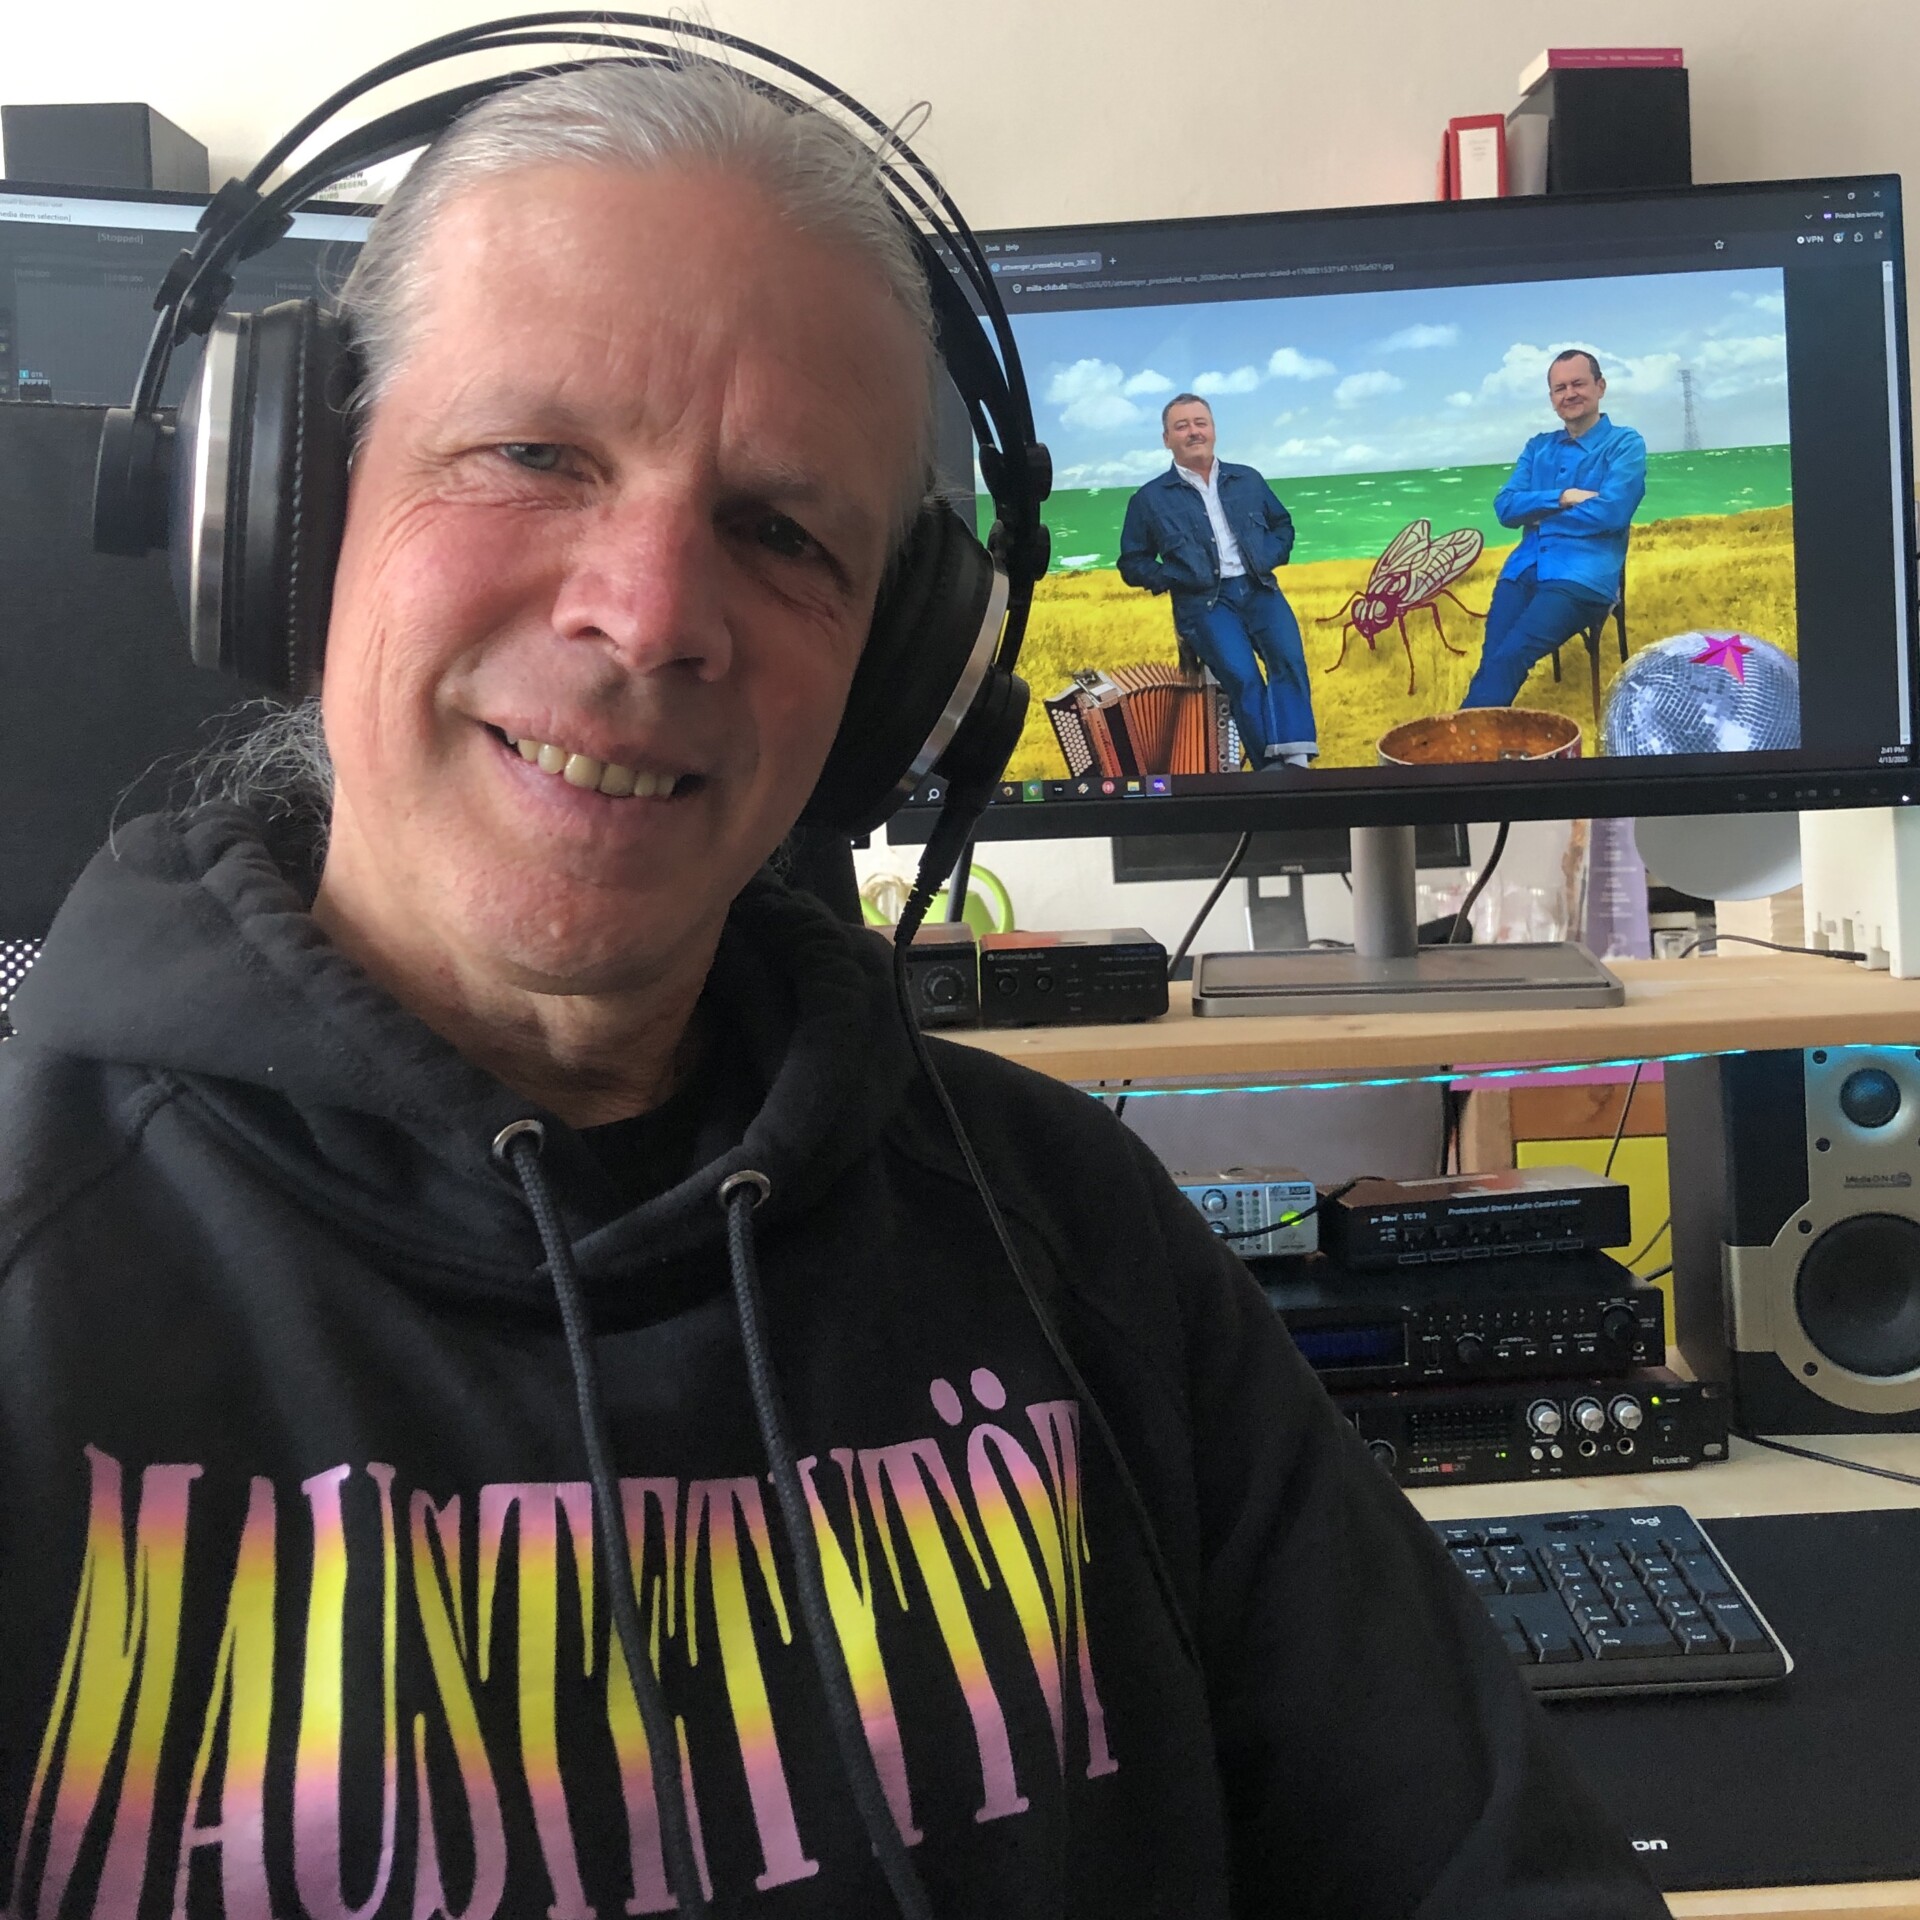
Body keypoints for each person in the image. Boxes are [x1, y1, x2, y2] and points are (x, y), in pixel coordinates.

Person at [0, 54, 1664, 1920]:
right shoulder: (35, 1279)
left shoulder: (1077, 1244)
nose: (649, 615)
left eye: (783, 533)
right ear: (290, 508)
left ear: (898, 683)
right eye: (533, 453)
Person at [1117, 396, 1317, 767]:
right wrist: (1174, 577)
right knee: (1243, 678)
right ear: (1167, 439)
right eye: (1182, 426)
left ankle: (1296, 761)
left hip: (1260, 590)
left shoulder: (1248, 479)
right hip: (1205, 605)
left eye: (1200, 423)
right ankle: (1271, 767)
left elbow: (1282, 525)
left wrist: (1266, 556)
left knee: (1288, 662)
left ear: (1213, 430)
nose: (1193, 432)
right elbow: (1132, 562)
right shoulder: (1148, 499)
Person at [1462, 348, 1647, 709]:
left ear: (1600, 386)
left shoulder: (1625, 444)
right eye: (1560, 388)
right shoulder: (1538, 448)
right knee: (1494, 656)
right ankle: (1480, 733)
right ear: (1551, 398)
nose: (1569, 394)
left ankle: (1458, 737)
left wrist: (1537, 512)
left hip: (1581, 576)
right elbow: (1505, 508)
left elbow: (1612, 512)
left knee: (1511, 654)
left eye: (1578, 384)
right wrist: (1564, 497)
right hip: (1523, 569)